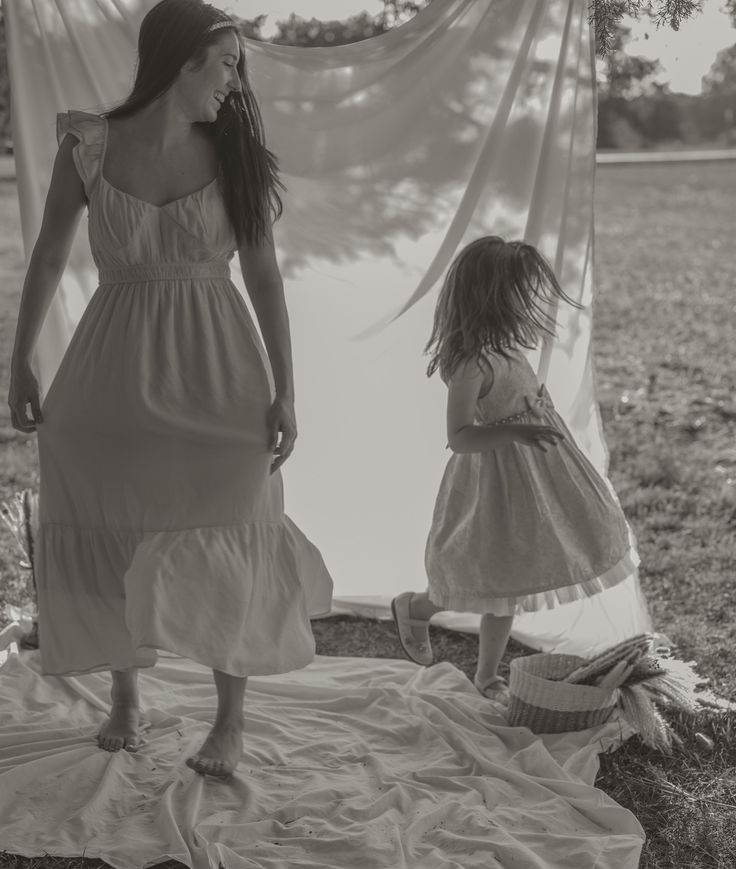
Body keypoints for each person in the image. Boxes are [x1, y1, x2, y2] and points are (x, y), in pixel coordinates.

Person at [6, 0, 332, 778]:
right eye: (226, 62)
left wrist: (287, 390)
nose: (235, 80)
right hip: (113, 363)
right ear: (182, 60)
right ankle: (125, 692)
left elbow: (262, 274)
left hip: (217, 366)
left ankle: (229, 719)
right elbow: (48, 257)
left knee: (233, 523)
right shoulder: (87, 146)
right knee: (110, 515)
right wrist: (18, 359)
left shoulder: (235, 152)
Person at [391, 237, 638, 704]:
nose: (526, 305)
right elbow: (460, 436)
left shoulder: (503, 345)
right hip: (493, 484)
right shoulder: (470, 362)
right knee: (477, 577)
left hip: (535, 480)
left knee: (509, 583)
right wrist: (518, 433)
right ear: (490, 298)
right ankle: (415, 607)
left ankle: (487, 676)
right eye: (517, 295)